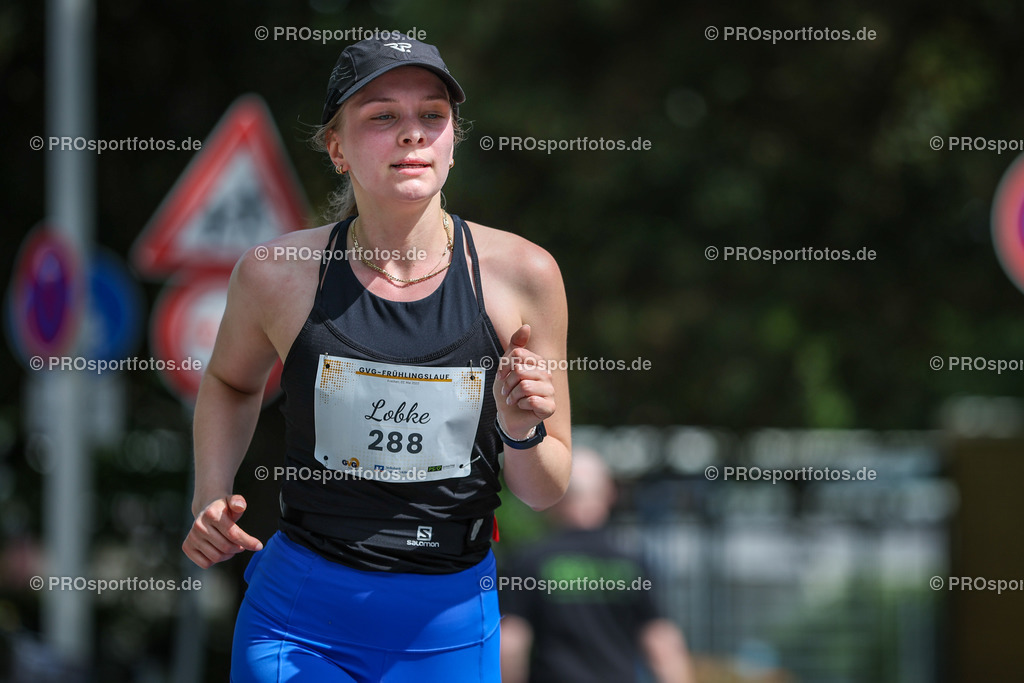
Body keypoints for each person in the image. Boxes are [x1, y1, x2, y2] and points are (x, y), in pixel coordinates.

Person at [181, 34, 572, 682]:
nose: (412, 133)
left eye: (432, 115)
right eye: (382, 116)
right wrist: (210, 490)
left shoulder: (524, 275)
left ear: (452, 140)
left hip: (448, 624)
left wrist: (520, 427)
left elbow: (547, 487)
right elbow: (228, 379)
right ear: (337, 147)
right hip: (299, 618)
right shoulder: (278, 274)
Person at [500, 448, 696, 683]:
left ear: (556, 493)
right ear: (609, 494)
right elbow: (661, 643)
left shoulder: (531, 560)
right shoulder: (631, 561)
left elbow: (511, 642)